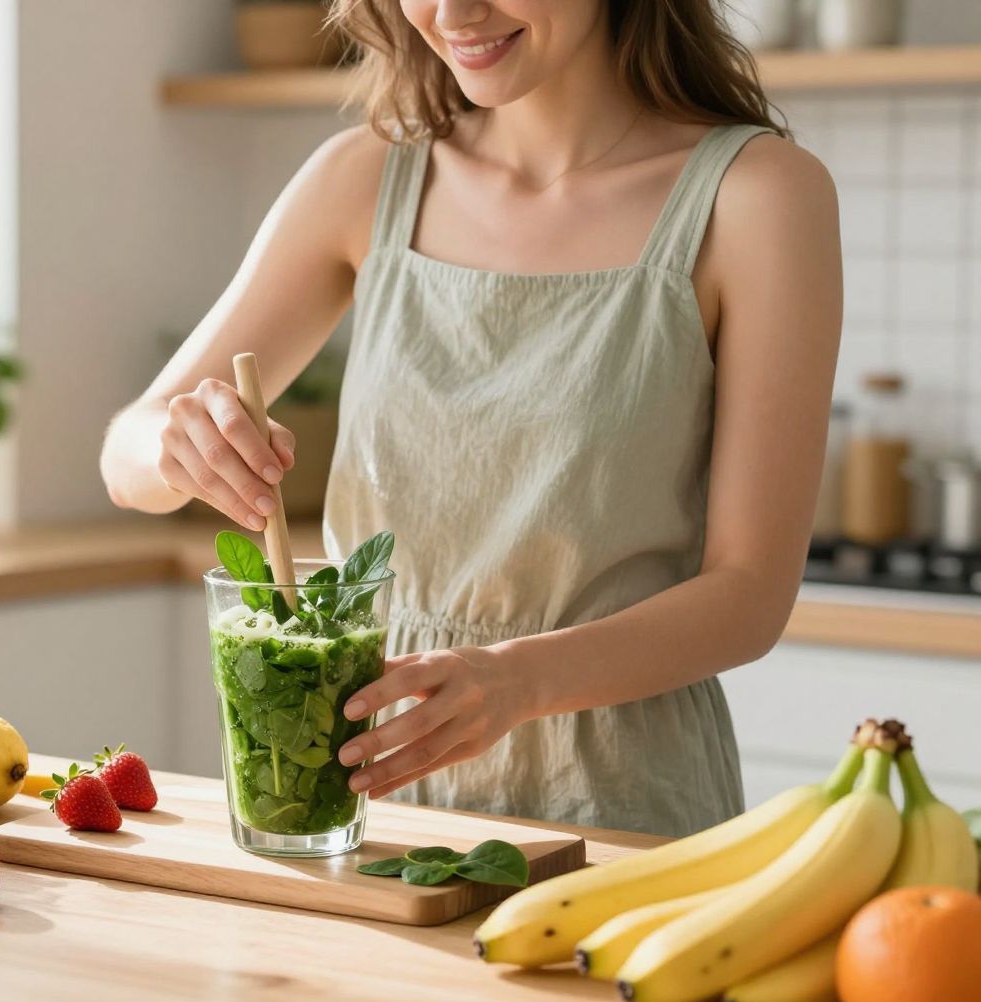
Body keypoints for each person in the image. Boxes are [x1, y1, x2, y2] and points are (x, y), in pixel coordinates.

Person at [99, 0, 842, 836]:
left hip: (617, 805)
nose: (452, 13)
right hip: (366, 799)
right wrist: (174, 444)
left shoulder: (760, 196)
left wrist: (519, 680)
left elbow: (750, 595)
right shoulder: (365, 177)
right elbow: (126, 460)